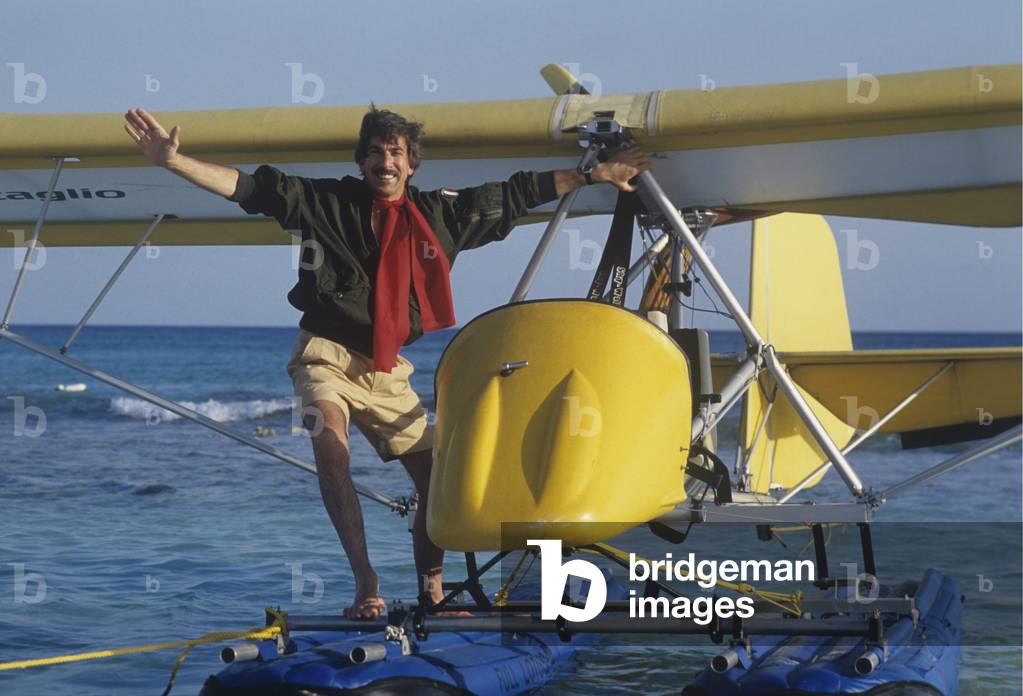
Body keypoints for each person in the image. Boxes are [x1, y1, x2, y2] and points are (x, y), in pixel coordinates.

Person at [123, 105, 650, 619]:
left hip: (388, 369)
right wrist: (175, 162)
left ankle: (433, 592)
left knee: (438, 486)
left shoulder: (441, 216)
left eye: (395, 152)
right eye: (374, 152)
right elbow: (249, 188)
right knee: (331, 450)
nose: (384, 161)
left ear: (411, 163)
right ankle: (366, 584)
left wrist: (592, 173)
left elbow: (514, 194)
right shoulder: (325, 202)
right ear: (362, 161)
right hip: (323, 355)